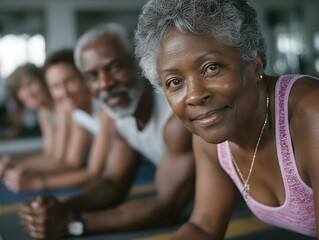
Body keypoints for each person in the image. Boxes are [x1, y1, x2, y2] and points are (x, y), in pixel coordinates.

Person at [135, 0, 319, 239]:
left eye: (211, 68)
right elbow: (204, 226)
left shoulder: (311, 114)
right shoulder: (210, 131)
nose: (194, 96)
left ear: (254, 64)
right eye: (174, 82)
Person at [19, 22, 195, 239]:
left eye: (115, 67)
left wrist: (72, 223)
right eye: (92, 76)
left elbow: (167, 206)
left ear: (140, 64)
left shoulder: (176, 118)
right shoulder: (117, 113)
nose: (105, 83)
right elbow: (113, 183)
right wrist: (59, 208)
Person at [1, 49, 104, 193]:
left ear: (43, 81)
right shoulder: (44, 112)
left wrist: (20, 170)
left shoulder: (66, 106)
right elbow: (52, 156)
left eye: (30, 83)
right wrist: (14, 165)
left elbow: (71, 163)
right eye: (20, 89)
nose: (27, 92)